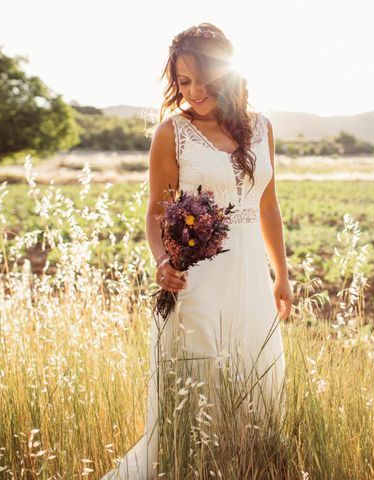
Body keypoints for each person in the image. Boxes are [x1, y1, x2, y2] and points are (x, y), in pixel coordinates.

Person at [100, 22, 293, 479]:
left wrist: (281, 274)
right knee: (199, 394)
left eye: (203, 79)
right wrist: (163, 261)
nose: (194, 91)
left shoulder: (262, 128)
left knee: (259, 385)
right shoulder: (172, 133)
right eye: (183, 82)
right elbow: (155, 211)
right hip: (198, 283)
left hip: (251, 284)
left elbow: (267, 203)